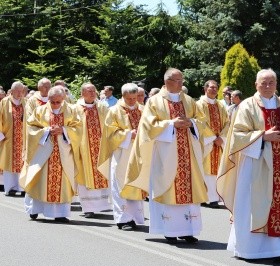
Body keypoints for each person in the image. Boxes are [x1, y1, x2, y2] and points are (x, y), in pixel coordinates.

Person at [217, 69, 280, 263]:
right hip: (255, 164)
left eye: (271, 82)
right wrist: (262, 136)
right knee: (255, 203)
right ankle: (251, 249)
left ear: (276, 84)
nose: (267, 86)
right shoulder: (247, 106)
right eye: (263, 83)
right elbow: (237, 136)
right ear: (256, 84)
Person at [122, 68, 210, 244]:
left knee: (189, 189)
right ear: (167, 81)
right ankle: (169, 230)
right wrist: (171, 125)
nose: (180, 83)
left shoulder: (189, 101)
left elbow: (202, 121)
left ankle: (188, 230)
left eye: (181, 80)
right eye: (176, 80)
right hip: (165, 154)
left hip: (188, 156)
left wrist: (191, 123)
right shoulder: (154, 101)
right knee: (167, 187)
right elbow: (147, 126)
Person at [20, 85, 82, 222]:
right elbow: (30, 129)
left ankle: (60, 214)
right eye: (52, 101)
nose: (54, 105)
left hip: (63, 154)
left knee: (63, 182)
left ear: (64, 99)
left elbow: (79, 129)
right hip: (43, 153)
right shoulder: (40, 111)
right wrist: (46, 131)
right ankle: (34, 210)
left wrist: (64, 131)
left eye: (58, 102)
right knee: (38, 180)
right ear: (48, 99)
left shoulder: (72, 111)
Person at [99, 83, 146, 230]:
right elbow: (109, 133)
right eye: (129, 98)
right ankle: (123, 219)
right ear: (123, 96)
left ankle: (135, 217)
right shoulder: (114, 111)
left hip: (139, 153)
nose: (133, 101)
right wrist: (127, 135)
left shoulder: (143, 110)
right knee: (120, 184)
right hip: (122, 153)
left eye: (135, 98)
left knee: (136, 184)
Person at [74, 83, 111, 217]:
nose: (92, 94)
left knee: (101, 174)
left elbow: (110, 124)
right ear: (82, 93)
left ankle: (102, 205)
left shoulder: (102, 107)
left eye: (94, 91)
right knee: (85, 176)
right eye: (89, 91)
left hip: (100, 148)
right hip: (83, 150)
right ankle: (88, 207)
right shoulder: (75, 109)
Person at [196, 80, 229, 208]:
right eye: (211, 87)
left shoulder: (221, 106)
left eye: (216, 88)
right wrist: (213, 138)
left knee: (217, 171)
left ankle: (214, 197)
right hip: (207, 143)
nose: (214, 90)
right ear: (205, 89)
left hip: (219, 143)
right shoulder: (199, 105)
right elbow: (200, 122)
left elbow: (227, 122)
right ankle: (205, 197)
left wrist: (221, 137)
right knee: (205, 170)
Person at [0, 81, 27, 196]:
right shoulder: (4, 103)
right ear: (12, 91)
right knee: (8, 164)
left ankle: (21, 188)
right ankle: (10, 188)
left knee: (22, 163)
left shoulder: (26, 103)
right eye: (17, 91)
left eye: (21, 91)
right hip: (8, 139)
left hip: (23, 140)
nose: (20, 93)